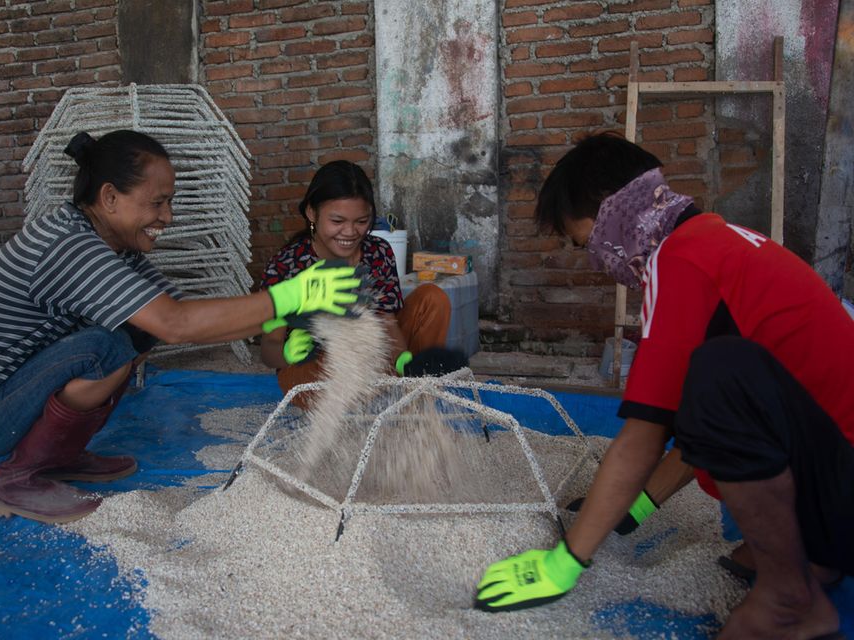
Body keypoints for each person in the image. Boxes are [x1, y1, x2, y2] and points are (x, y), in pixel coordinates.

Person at [473, 131, 853, 639]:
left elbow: (645, 435)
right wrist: (635, 508)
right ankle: (813, 555)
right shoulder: (717, 240)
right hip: (830, 462)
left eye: (584, 241)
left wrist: (566, 560)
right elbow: (715, 418)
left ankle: (790, 599)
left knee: (715, 373)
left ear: (612, 213)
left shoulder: (681, 262)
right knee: (713, 380)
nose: (594, 261)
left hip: (841, 484)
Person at [0, 130, 363, 525]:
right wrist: (292, 296)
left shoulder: (111, 243)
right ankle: (17, 480)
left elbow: (182, 312)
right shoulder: (70, 246)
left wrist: (293, 311)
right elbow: (176, 324)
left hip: (6, 395)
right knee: (107, 347)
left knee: (136, 334)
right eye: (157, 202)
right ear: (110, 197)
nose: (166, 217)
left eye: (169, 202)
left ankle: (55, 456)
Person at [260, 160, 464, 403]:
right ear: (311, 213)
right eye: (337, 221)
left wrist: (403, 361)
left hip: (372, 360)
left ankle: (415, 391)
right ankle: (372, 396)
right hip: (313, 374)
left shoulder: (377, 252)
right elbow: (269, 348)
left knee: (432, 298)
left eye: (361, 221)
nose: (350, 232)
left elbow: (387, 323)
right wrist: (285, 353)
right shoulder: (287, 264)